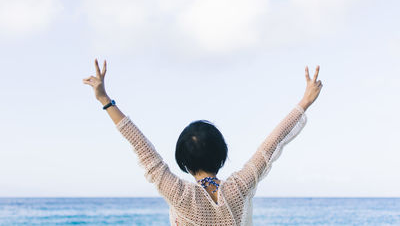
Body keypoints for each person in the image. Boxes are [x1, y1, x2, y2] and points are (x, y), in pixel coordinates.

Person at [83, 59, 323, 226]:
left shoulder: (179, 194)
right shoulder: (239, 188)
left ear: (185, 162)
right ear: (221, 154)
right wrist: (304, 102)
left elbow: (141, 146)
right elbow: (271, 145)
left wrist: (104, 99)